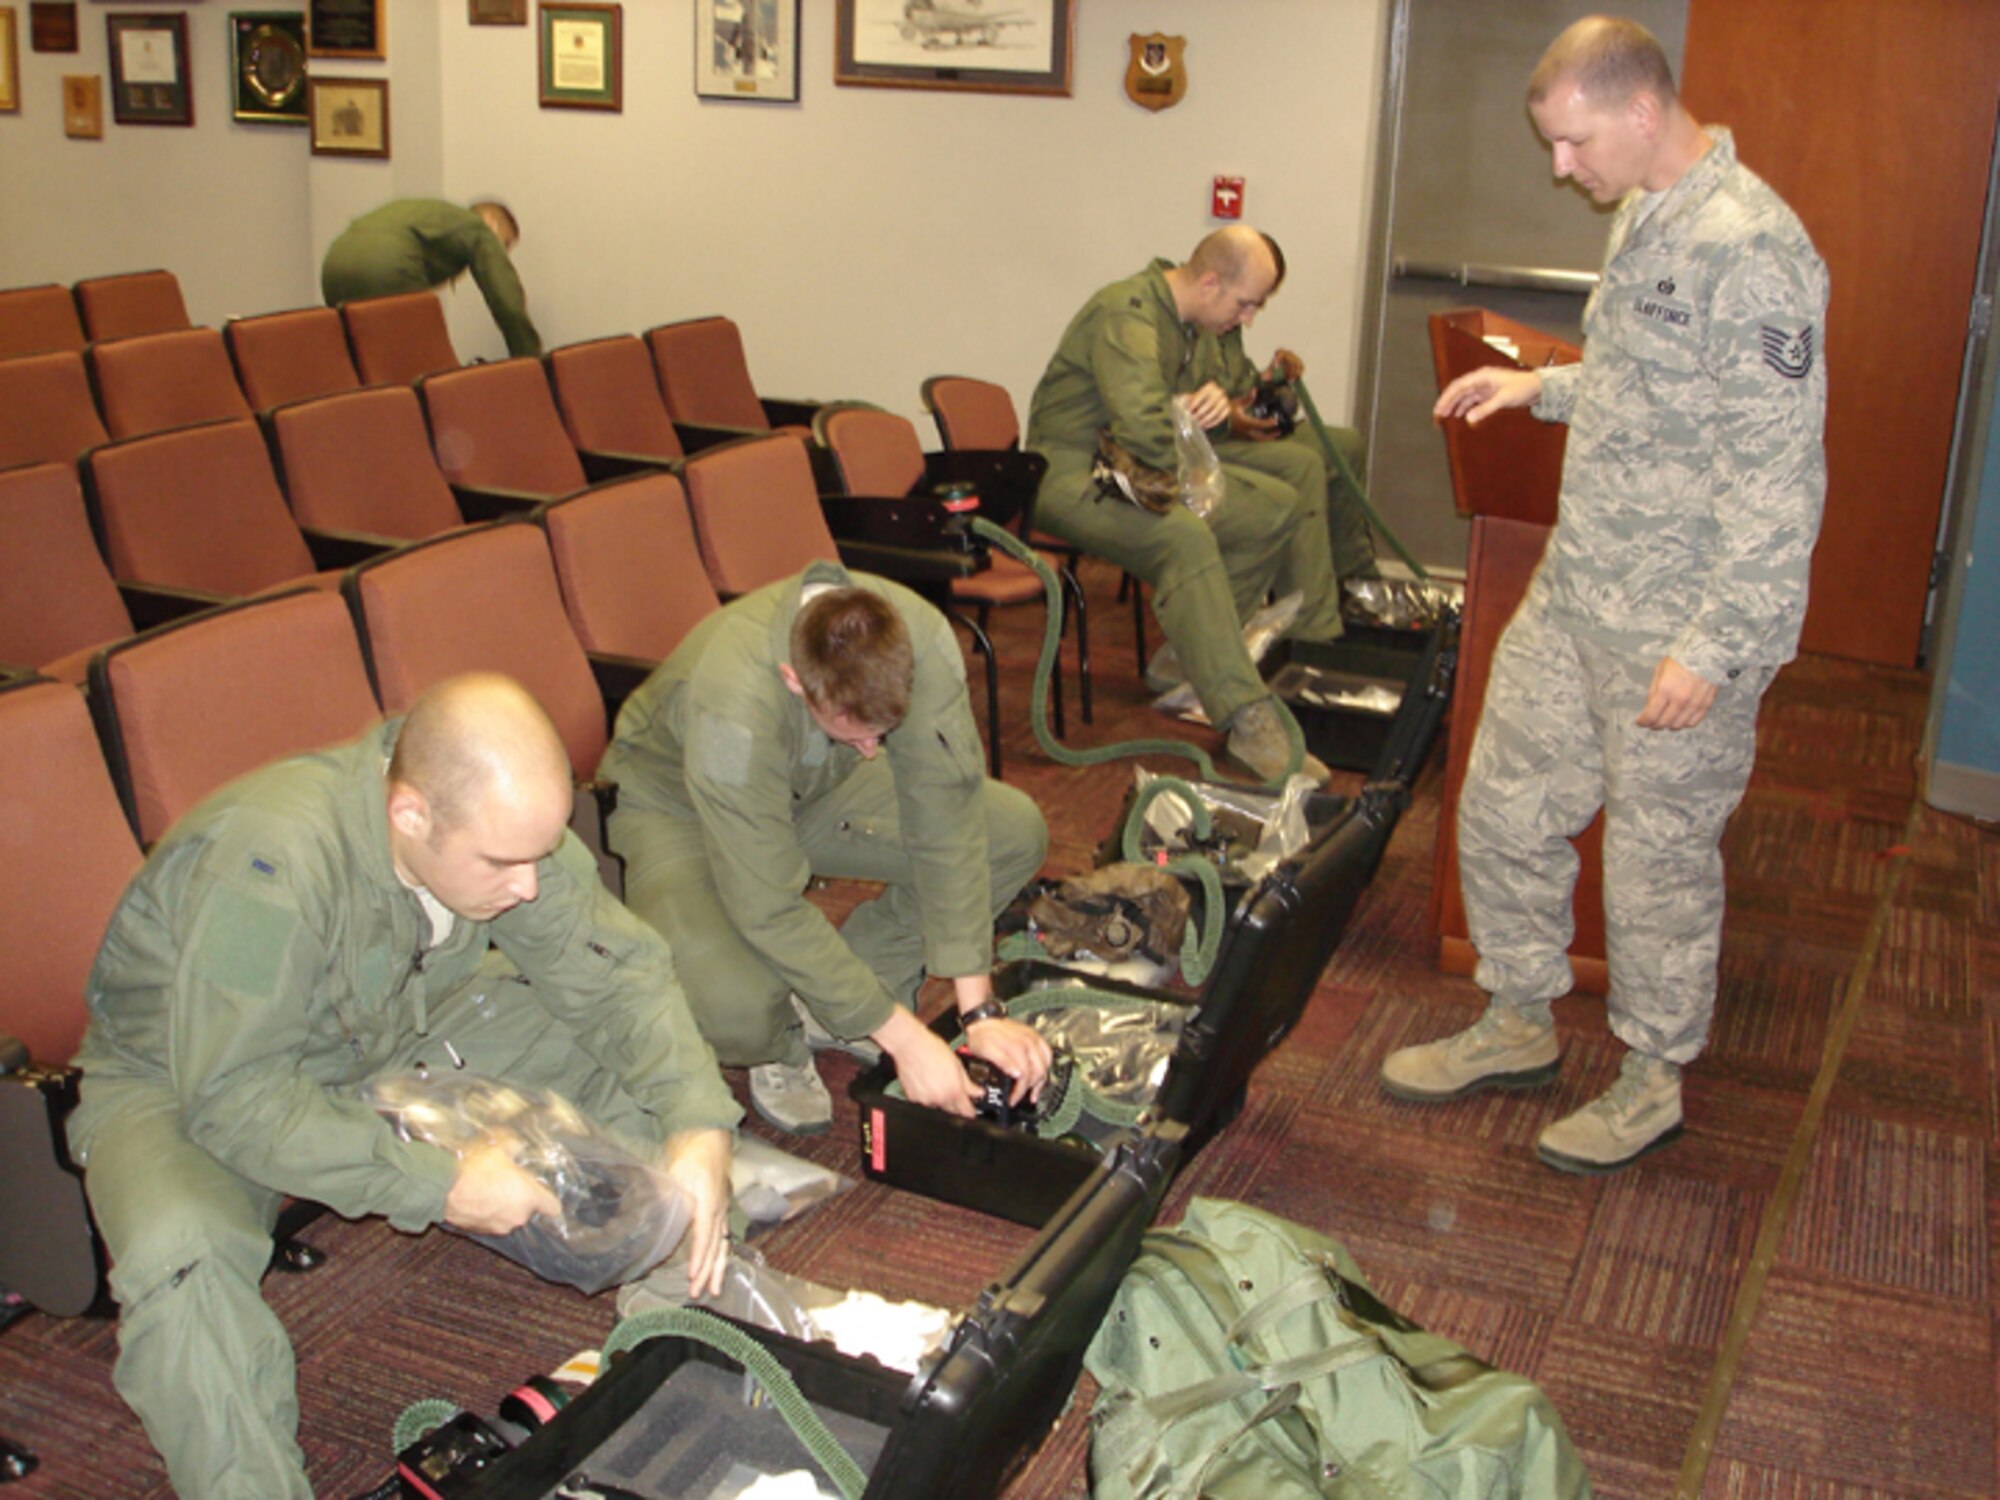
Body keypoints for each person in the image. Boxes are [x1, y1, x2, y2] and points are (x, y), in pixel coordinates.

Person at [66, 674, 739, 1500]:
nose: (527, 886)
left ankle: (690, 1324)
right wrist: (445, 1183)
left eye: (539, 854)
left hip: (393, 1023)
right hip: (191, 1071)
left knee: (636, 1085)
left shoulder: (497, 826)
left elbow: (616, 976)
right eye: (503, 864)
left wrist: (699, 1122)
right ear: (409, 814)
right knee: (185, 1270)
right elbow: (235, 1095)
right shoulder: (267, 868)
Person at [1379, 17, 1828, 1173]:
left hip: (1679, 624)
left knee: (1655, 863)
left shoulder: (1754, 248)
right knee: (1503, 807)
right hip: (1582, 589)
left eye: (1571, 142)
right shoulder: (1644, 213)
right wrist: (1536, 388)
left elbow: (1777, 481)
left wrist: (1713, 649)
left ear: (1638, 112)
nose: (1559, 169)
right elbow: (1648, 382)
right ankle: (1517, 1020)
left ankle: (1649, 1076)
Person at [600, 563, 1055, 1136]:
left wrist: (979, 1011)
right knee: (737, 1005)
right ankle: (783, 1043)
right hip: (677, 808)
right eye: (857, 734)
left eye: (882, 735)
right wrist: (905, 1038)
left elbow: (949, 818)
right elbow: (767, 904)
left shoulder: (918, 637)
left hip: (812, 781)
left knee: (1009, 834)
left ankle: (845, 998)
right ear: (795, 680)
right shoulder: (731, 704)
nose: (873, 751)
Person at [1025, 225, 1345, 783]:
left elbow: (1185, 404)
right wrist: (1192, 491)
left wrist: (1218, 400)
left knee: (1273, 508)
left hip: (1128, 464)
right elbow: (1144, 426)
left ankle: (1186, 657)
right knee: (1185, 535)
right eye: (1246, 304)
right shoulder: (1128, 313)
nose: (1248, 318)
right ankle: (1245, 719)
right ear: (1211, 282)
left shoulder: (1183, 322)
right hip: (1072, 473)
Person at [320, 198, 541, 358]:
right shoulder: (478, 228)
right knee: (425, 360)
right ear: (491, 222)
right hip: (386, 262)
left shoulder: (436, 215)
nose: (503, 252)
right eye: (506, 243)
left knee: (363, 355)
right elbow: (506, 299)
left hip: (334, 262)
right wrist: (529, 359)